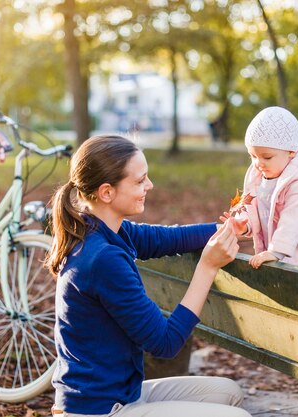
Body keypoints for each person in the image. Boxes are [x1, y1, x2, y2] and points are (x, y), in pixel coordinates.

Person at [46, 135, 252, 417]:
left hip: (123, 394)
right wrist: (208, 267)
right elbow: (165, 343)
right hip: (100, 410)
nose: (149, 186)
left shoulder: (105, 229)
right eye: (140, 180)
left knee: (229, 393)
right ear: (107, 192)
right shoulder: (102, 258)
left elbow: (167, 238)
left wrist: (230, 227)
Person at [227, 106, 298, 273]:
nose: (258, 163)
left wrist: (275, 251)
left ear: (291, 152)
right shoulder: (257, 176)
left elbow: (292, 220)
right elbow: (252, 206)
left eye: (267, 157)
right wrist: (244, 224)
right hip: (283, 256)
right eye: (253, 156)